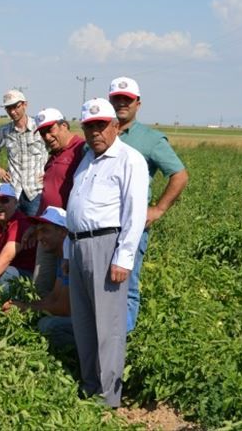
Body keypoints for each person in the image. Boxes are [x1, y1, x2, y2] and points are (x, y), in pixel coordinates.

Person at [66, 98, 148, 408]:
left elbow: (134, 212)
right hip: (77, 244)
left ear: (115, 126)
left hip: (106, 246)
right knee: (84, 321)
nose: (95, 132)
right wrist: (66, 249)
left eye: (101, 125)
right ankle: (90, 387)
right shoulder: (87, 159)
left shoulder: (129, 159)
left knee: (108, 327)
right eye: (89, 127)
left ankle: (108, 399)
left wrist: (124, 257)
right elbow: (74, 207)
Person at [108, 77, 189, 332]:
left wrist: (158, 209)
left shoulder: (150, 139)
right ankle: (104, 337)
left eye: (127, 99)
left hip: (131, 226)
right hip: (101, 225)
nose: (121, 103)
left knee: (127, 285)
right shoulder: (101, 131)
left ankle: (123, 340)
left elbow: (179, 175)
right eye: (116, 98)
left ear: (137, 104)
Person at [28, 108, 86, 297]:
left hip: (65, 231)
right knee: (40, 283)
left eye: (50, 129)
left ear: (64, 126)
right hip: (47, 228)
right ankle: (36, 319)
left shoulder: (81, 150)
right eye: (43, 133)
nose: (47, 136)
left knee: (63, 284)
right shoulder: (54, 154)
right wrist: (36, 224)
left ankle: (52, 320)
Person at [2, 206, 74, 348]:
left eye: (45, 231)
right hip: (74, 316)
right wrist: (21, 306)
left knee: (47, 325)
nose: (39, 237)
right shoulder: (62, 258)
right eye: (39, 231)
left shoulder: (72, 259)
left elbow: (64, 309)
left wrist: (26, 308)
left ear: (63, 232)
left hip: (90, 321)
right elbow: (53, 297)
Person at [0, 89, 48, 216]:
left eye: (16, 107)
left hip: (36, 191)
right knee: (14, 230)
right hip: (14, 192)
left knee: (35, 232)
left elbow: (57, 150)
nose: (12, 112)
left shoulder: (40, 127)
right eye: (8, 108)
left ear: (25, 104)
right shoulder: (5, 131)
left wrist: (50, 174)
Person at [0, 183, 36, 288]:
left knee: (8, 272)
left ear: (15, 202)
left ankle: (4, 302)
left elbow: (7, 256)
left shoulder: (20, 223)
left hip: (29, 278)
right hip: (11, 272)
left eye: (4, 200)